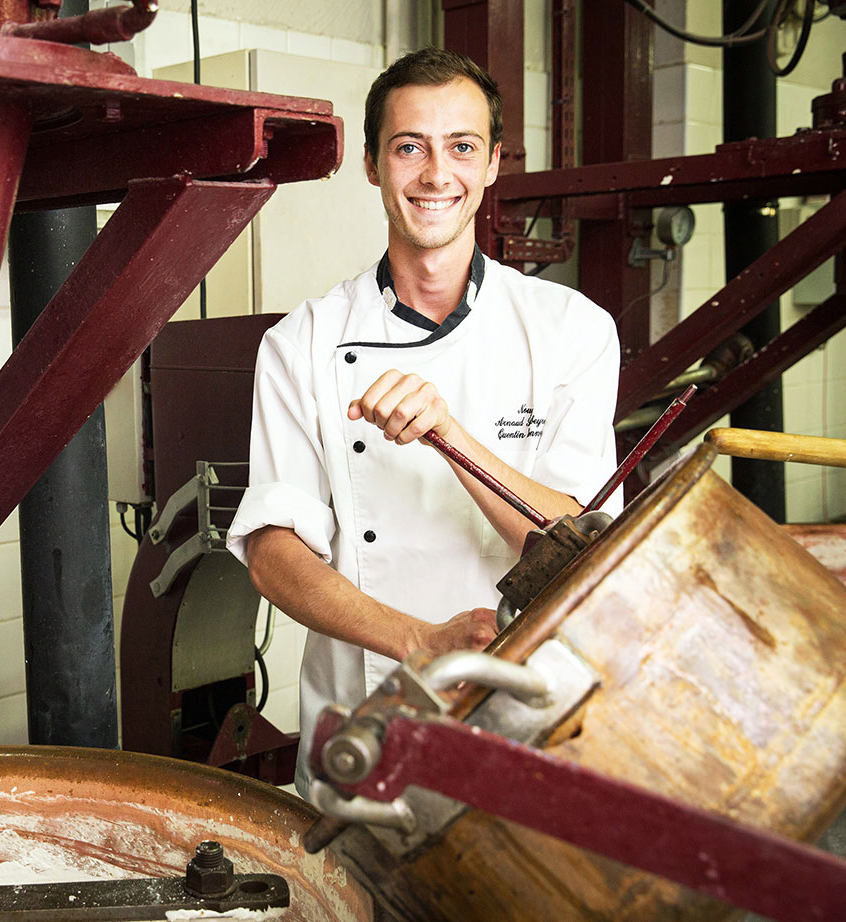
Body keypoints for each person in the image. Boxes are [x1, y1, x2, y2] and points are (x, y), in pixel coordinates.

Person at [225, 48, 621, 797]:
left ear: (494, 163)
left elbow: (583, 549)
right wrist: (419, 641)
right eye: (410, 147)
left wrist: (452, 439)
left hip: (528, 714)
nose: (438, 175)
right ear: (372, 165)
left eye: (462, 147)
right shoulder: (302, 341)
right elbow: (274, 555)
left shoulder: (570, 329)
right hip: (364, 723)